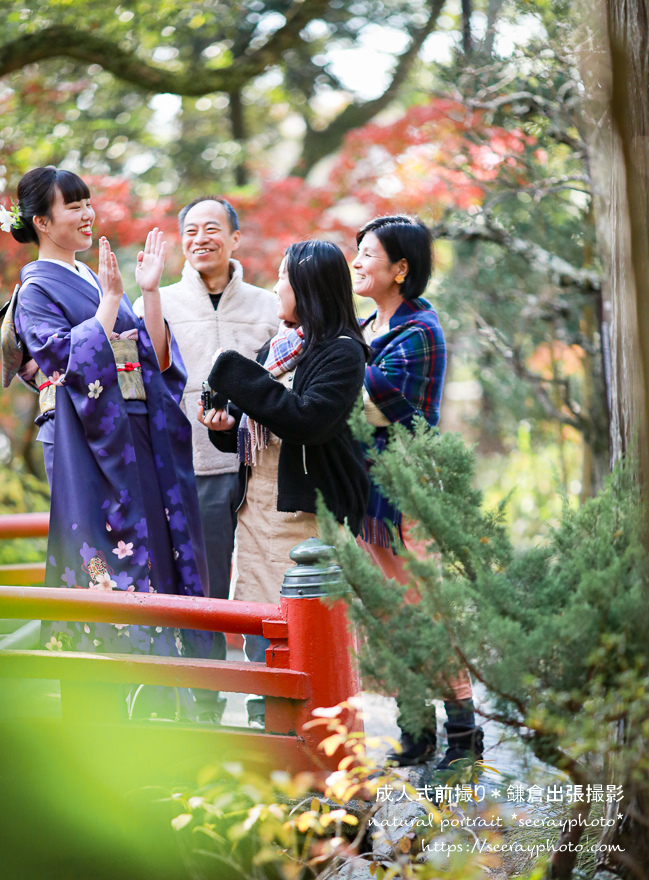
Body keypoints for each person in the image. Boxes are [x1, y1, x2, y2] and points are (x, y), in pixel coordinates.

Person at [0, 166, 210, 719]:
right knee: (102, 549)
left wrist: (149, 292)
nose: (88, 214)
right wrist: (110, 304)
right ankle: (107, 705)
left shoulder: (91, 276)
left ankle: (166, 697)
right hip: (86, 440)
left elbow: (153, 358)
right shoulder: (36, 289)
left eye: (88, 203)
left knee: (152, 543)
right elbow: (62, 361)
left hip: (134, 431)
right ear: (42, 222)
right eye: (74, 206)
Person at [198, 239, 370, 728]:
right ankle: (265, 723)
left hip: (304, 516)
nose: (275, 289)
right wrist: (224, 426)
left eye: (283, 279)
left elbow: (307, 420)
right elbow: (254, 426)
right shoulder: (279, 348)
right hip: (257, 509)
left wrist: (233, 370)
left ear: (309, 289)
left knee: (305, 629)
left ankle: (315, 733)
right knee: (259, 621)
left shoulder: (342, 353)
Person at [134, 196, 279, 723]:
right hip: (195, 468)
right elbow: (144, 370)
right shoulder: (160, 302)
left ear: (235, 238)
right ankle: (206, 704)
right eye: (191, 230)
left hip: (261, 468)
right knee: (207, 590)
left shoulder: (268, 305)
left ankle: (270, 700)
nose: (201, 238)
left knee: (265, 583)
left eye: (213, 228)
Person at [353, 214, 484, 770]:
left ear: (400, 268)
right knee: (388, 610)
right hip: (368, 489)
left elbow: (375, 409)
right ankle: (417, 729)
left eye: (368, 254)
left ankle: (465, 733)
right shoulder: (365, 327)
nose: (356, 262)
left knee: (423, 609)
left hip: (407, 490)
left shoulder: (419, 331)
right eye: (357, 252)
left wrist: (338, 368)